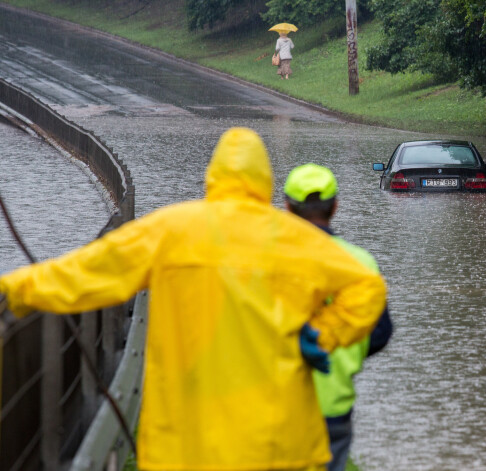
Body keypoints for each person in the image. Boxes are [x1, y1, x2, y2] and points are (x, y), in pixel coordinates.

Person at [0, 128, 387, 471]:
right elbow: (367, 286)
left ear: (212, 178)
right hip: (279, 445)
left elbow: (85, 273)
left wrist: (15, 290)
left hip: (185, 448)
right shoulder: (297, 239)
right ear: (266, 181)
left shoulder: (171, 229)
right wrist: (324, 334)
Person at [283, 163, 393, 471]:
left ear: (287, 206)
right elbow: (380, 334)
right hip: (334, 404)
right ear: (336, 206)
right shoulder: (361, 262)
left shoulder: (266, 259)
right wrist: (345, 351)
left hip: (274, 405)